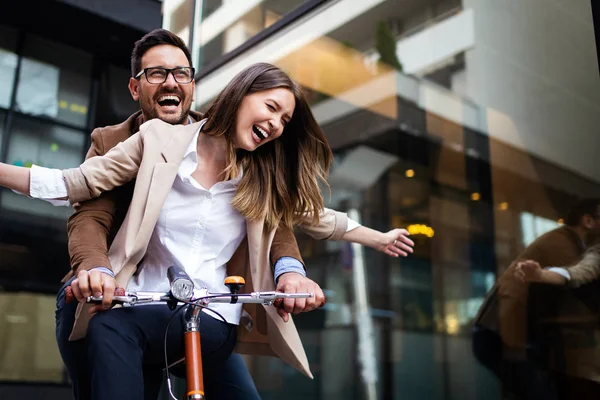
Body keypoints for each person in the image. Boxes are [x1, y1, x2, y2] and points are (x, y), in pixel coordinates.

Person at [0, 60, 414, 399]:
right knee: (108, 325)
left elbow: (317, 217)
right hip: (142, 304)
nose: (276, 125)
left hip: (213, 317)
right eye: (271, 108)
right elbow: (79, 182)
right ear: (242, 93)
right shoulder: (159, 138)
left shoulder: (264, 178)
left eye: (285, 120)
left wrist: (378, 237)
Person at [471, 198, 600, 399]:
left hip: (509, 336)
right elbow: (577, 285)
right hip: (502, 335)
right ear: (589, 221)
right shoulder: (564, 244)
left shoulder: (570, 244)